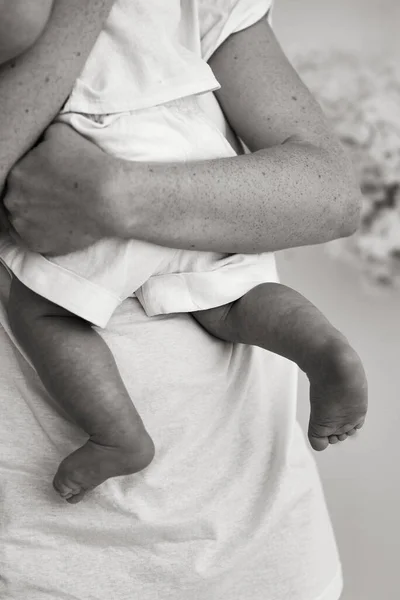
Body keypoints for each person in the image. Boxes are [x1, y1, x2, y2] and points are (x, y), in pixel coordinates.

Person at [0, 0, 365, 598]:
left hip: (82, 155)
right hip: (185, 154)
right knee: (231, 300)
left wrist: (115, 197)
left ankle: (118, 435)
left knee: (43, 309)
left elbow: (333, 196)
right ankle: (323, 347)